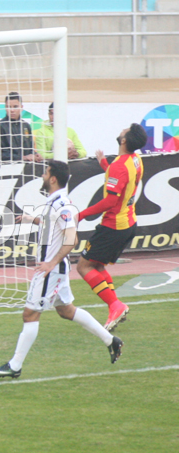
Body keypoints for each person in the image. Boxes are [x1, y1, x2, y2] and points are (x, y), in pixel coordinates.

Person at [0, 161, 123, 378]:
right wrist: (31, 220)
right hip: (55, 269)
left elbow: (72, 238)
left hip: (51, 270)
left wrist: (51, 263)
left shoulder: (62, 205)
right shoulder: (54, 203)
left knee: (30, 314)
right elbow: (52, 225)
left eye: (45, 173)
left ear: (52, 178)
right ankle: (111, 341)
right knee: (66, 310)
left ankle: (15, 366)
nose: (43, 176)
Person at [76, 123, 147, 331]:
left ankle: (115, 305)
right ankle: (115, 308)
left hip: (113, 226)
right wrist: (104, 164)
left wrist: (81, 215)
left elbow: (110, 201)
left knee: (83, 266)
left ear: (124, 140)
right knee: (97, 266)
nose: (121, 131)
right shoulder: (135, 160)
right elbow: (123, 180)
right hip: (128, 222)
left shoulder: (119, 165)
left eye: (124, 130)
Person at [0, 92, 40, 162]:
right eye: (9, 107)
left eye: (15, 107)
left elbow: (30, 149)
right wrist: (22, 158)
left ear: (21, 107)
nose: (12, 110)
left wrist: (35, 155)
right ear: (5, 107)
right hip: (7, 169)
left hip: (26, 169)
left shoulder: (26, 126)